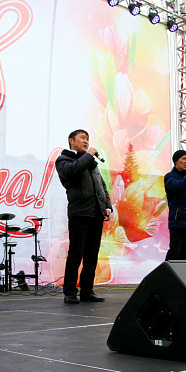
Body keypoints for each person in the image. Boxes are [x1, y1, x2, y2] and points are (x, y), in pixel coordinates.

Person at [55, 129, 112, 304]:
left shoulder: (91, 163)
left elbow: (101, 185)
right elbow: (72, 172)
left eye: (88, 139)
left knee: (91, 255)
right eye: (82, 138)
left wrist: (107, 206)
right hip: (79, 212)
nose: (86, 141)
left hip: (96, 212)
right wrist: (88, 156)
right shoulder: (64, 160)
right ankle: (70, 292)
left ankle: (87, 291)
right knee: (76, 253)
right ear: (71, 141)